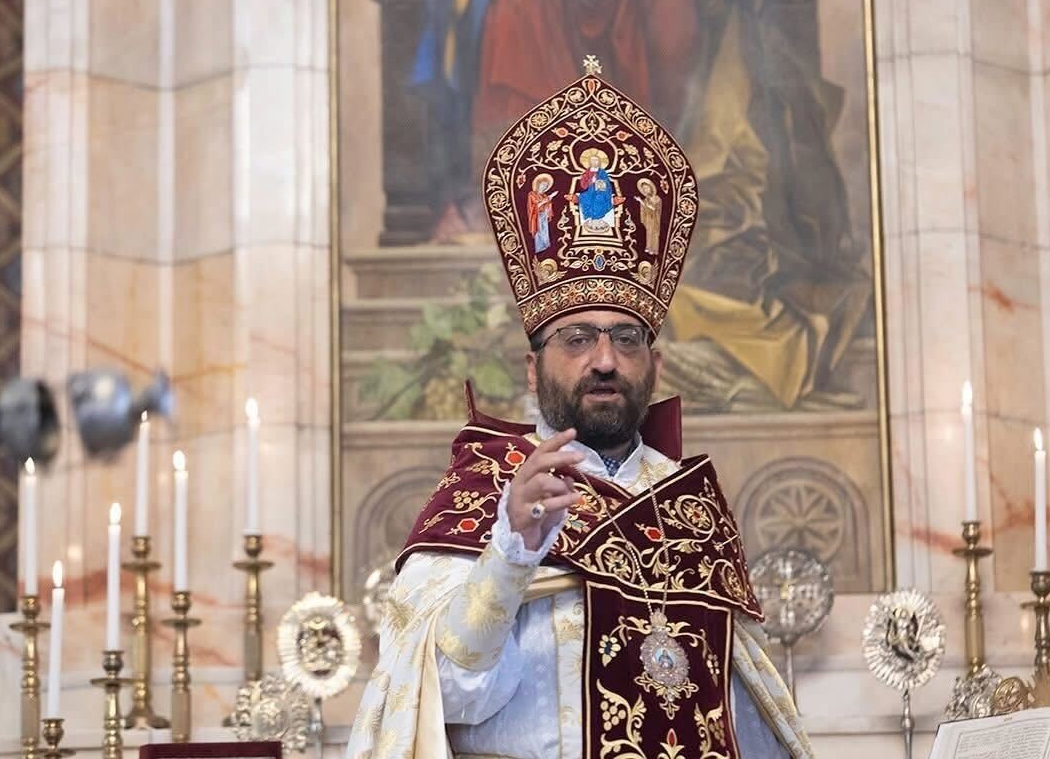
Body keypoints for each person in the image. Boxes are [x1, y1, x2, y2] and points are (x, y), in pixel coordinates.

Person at [347, 61, 812, 759]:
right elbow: (445, 691)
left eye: (626, 339)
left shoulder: (689, 508)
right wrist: (512, 549)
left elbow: (740, 714)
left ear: (654, 364)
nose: (604, 360)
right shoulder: (482, 500)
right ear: (532, 368)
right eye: (577, 338)